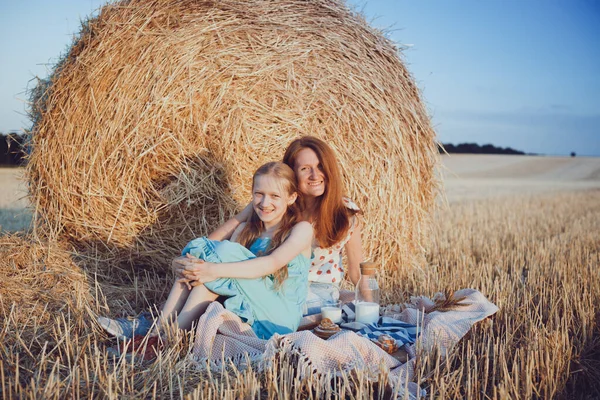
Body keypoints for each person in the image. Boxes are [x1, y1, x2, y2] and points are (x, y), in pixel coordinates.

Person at [99, 162, 313, 342]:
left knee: (219, 260)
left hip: (276, 320)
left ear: (292, 198)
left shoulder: (301, 229)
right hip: (252, 309)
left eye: (275, 196)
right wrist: (196, 265)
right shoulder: (245, 230)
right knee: (207, 270)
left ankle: (162, 336)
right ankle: (159, 336)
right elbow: (206, 247)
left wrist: (212, 268)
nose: (265, 203)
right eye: (259, 194)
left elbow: (271, 263)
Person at [187, 136, 363, 315]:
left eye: (320, 167)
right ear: (292, 174)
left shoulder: (345, 212)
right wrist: (190, 259)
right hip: (274, 283)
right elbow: (220, 238)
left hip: (317, 291)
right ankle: (166, 331)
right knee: (210, 282)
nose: (315, 176)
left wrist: (371, 314)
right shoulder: (276, 203)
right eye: (305, 169)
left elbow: (357, 273)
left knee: (224, 292)